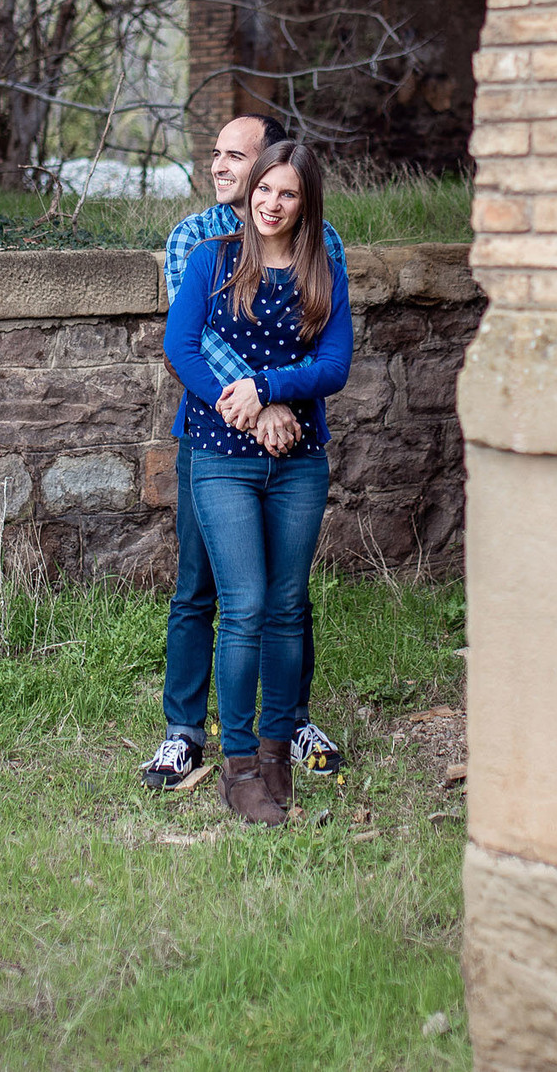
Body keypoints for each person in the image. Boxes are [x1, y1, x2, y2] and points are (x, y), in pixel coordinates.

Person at [139, 116, 347, 791]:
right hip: (215, 439)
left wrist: (274, 394)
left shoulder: (324, 248)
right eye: (218, 154)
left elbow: (328, 351)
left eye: (239, 156)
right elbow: (190, 341)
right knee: (205, 589)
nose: (223, 166)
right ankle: (185, 731)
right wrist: (261, 405)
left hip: (289, 443)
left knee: (285, 599)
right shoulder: (197, 241)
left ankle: (289, 724)